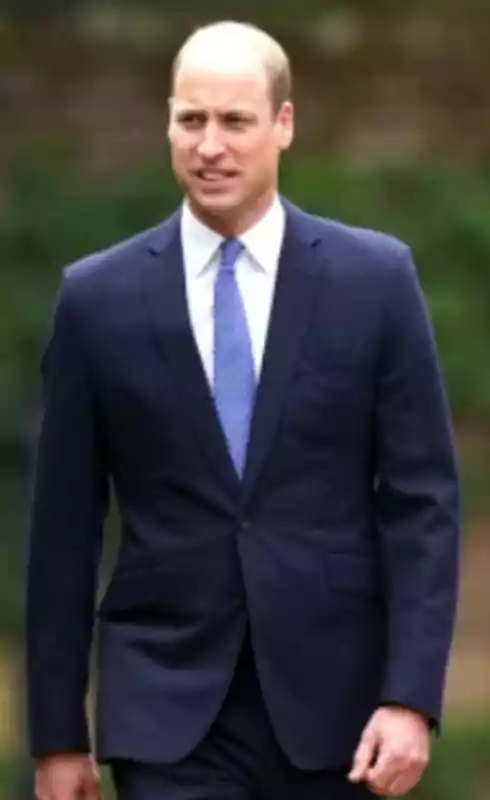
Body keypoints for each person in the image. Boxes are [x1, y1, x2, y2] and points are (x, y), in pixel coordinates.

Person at [24, 20, 461, 800]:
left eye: (235, 121)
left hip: (339, 710)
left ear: (284, 125)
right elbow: (64, 526)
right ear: (167, 123)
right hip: (165, 705)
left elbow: (422, 504)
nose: (210, 145)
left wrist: (411, 696)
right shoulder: (98, 300)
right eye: (191, 120)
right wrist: (58, 735)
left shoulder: (374, 282)